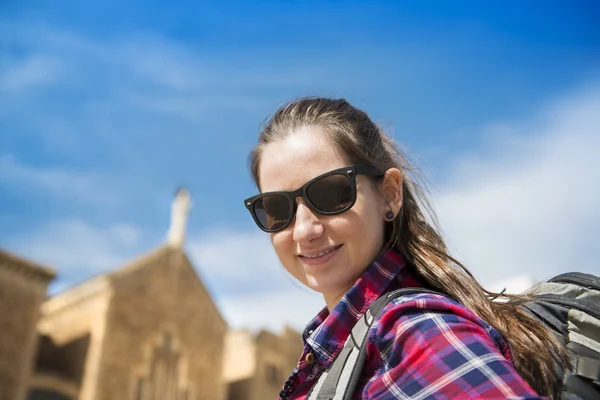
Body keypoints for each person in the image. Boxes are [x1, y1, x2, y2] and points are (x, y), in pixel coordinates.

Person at [243, 98, 564, 399]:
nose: (303, 230)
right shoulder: (356, 345)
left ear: (390, 194)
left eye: (330, 193)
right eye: (276, 208)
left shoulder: (414, 334)